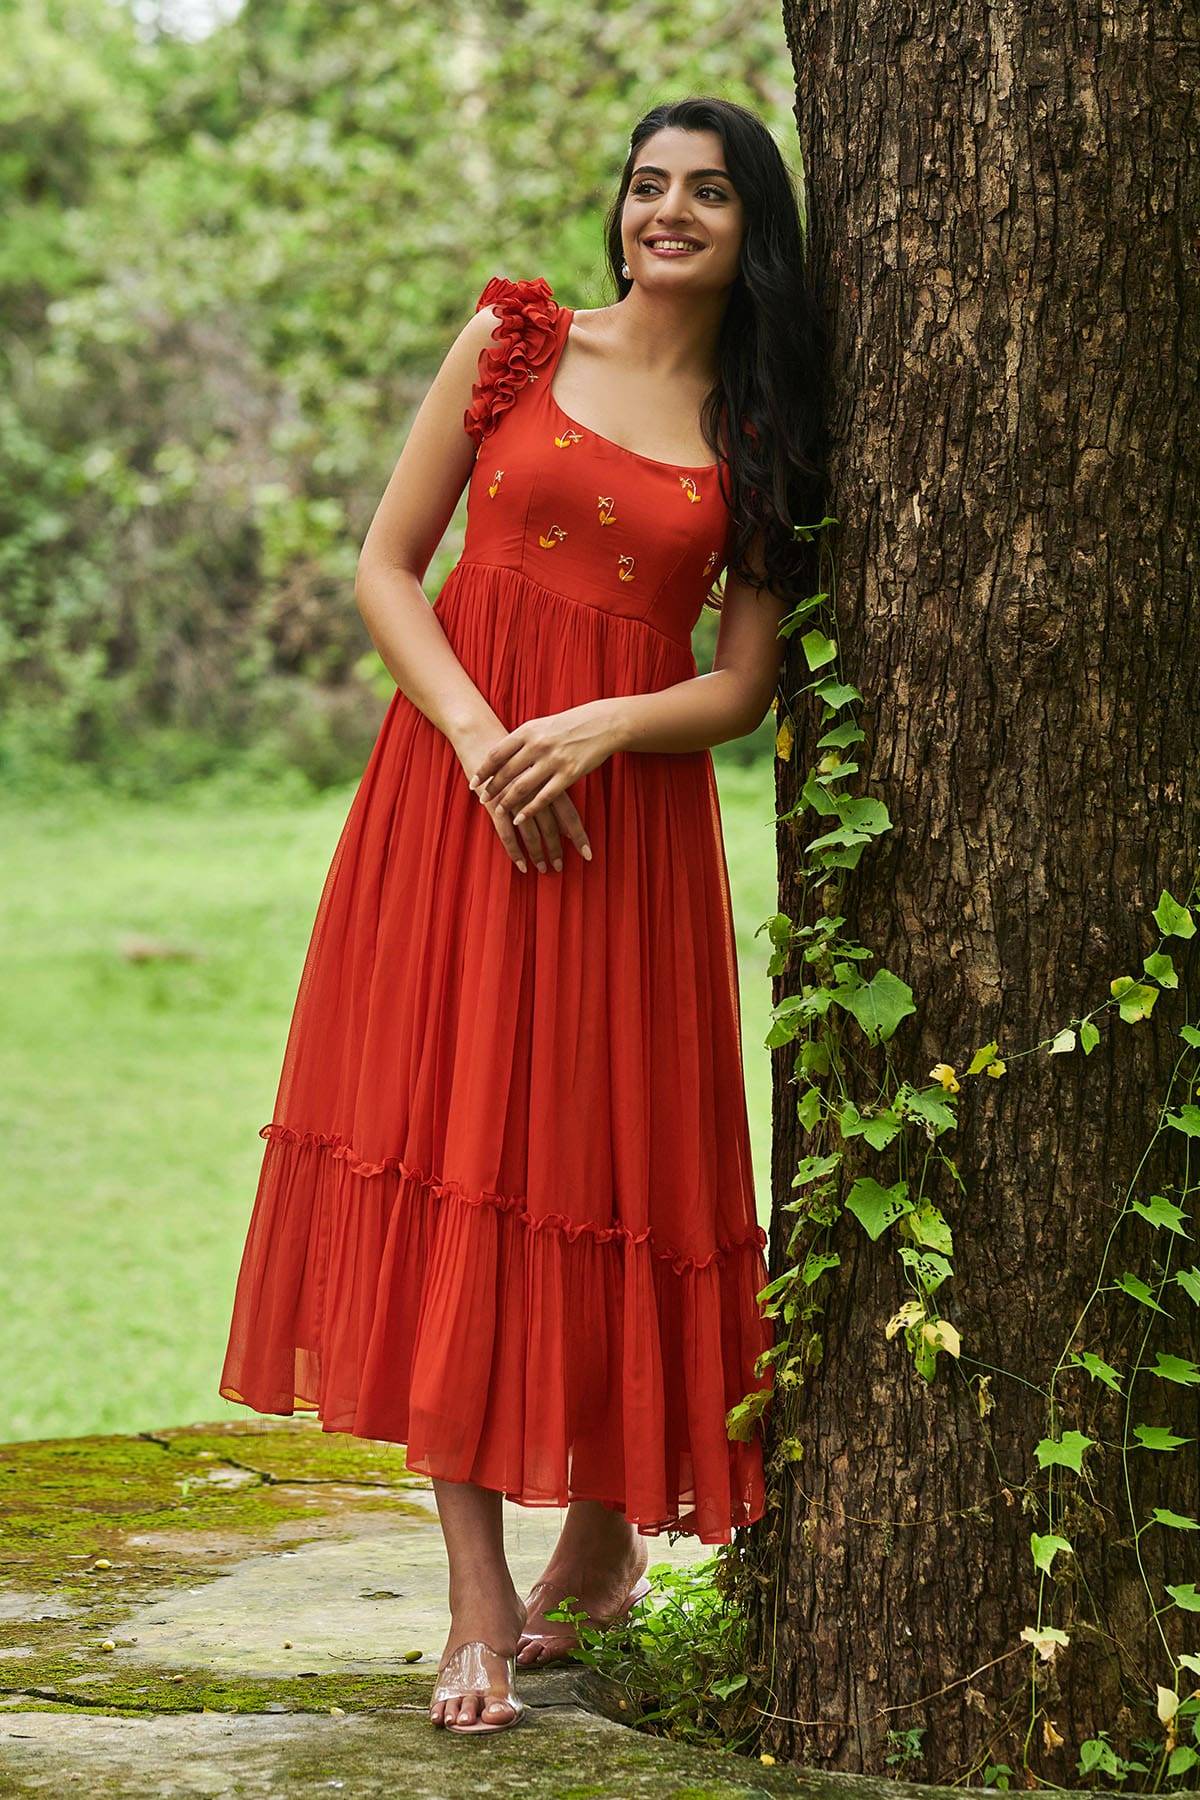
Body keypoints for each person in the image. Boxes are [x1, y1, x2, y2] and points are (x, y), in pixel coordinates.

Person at [218, 93, 826, 1736]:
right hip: (456, 809)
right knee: (457, 1162)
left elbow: (748, 686)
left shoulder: (765, 423)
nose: (668, 213)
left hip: (621, 842)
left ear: (751, 228)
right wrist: (490, 740)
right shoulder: (514, 337)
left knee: (594, 1165)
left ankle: (607, 1536)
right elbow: (387, 565)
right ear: (616, 208)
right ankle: (476, 1597)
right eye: (647, 186)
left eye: (706, 192)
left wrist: (601, 729)